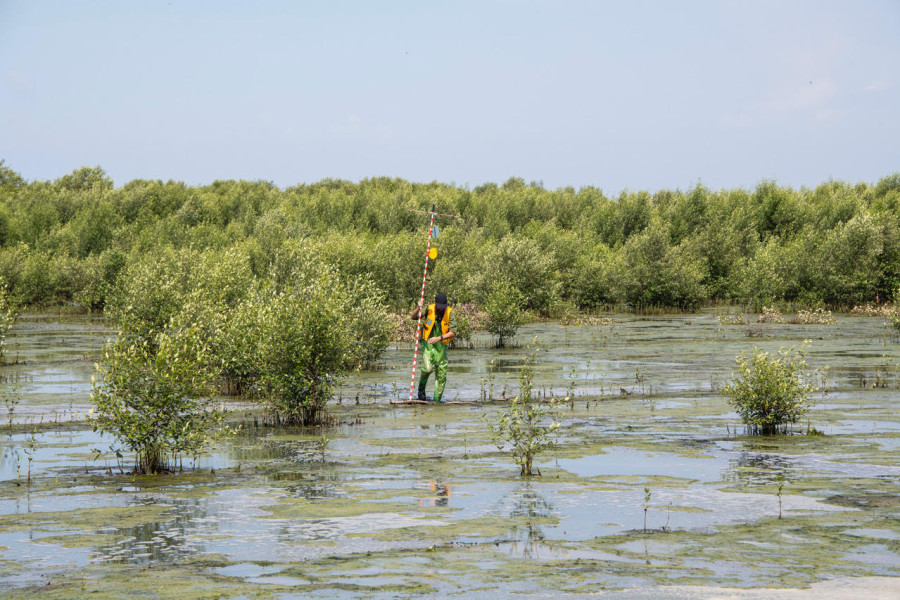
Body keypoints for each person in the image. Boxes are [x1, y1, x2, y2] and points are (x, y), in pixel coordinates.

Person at [410, 292, 455, 402]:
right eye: (439, 306)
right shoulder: (428, 309)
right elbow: (413, 316)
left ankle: (437, 402)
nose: (441, 309)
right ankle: (421, 392)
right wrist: (418, 307)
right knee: (428, 369)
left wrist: (439, 338)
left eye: (443, 306)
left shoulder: (450, 312)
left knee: (441, 374)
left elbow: (453, 333)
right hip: (427, 344)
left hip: (441, 345)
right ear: (435, 303)